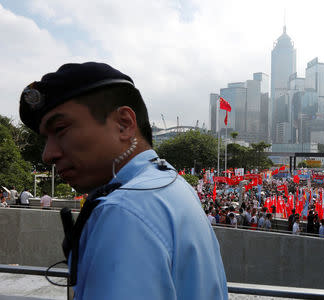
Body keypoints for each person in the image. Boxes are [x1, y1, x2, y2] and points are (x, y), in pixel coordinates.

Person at [19, 62, 228, 299]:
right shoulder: (172, 185)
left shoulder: (123, 210)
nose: (48, 154)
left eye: (61, 129)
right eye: (47, 138)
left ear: (124, 124)